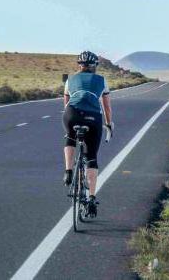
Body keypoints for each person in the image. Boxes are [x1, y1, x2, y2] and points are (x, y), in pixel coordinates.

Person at [62, 50, 114, 217]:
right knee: (91, 157)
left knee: (70, 138)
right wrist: (108, 124)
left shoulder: (70, 79)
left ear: (79, 66)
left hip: (72, 113)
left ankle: (68, 170)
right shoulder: (101, 80)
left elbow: (66, 102)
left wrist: (71, 118)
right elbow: (106, 107)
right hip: (93, 117)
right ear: (95, 66)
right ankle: (91, 198)